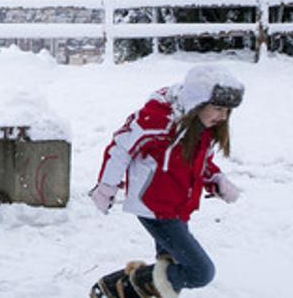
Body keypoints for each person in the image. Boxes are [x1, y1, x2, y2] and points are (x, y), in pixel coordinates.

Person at [88, 64, 245, 298]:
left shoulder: (203, 125)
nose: (223, 116)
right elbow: (121, 148)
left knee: (171, 266)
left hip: (179, 206)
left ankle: (123, 289)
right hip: (155, 207)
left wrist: (216, 180)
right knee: (200, 272)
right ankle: (118, 287)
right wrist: (106, 187)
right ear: (197, 102)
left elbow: (198, 162)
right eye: (218, 108)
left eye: (227, 111)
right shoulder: (159, 119)